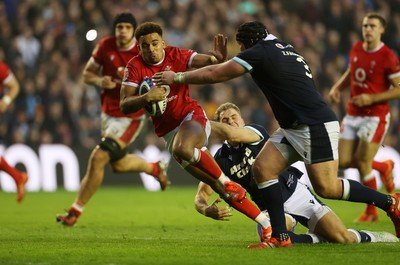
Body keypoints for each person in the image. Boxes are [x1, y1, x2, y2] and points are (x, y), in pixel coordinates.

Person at [153, 20, 400, 248]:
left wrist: (179, 78)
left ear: (247, 43)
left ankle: (390, 203)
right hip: (294, 126)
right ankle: (281, 237)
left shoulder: (260, 51)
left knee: (328, 187)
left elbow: (218, 74)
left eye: (241, 47)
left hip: (313, 125)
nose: (241, 51)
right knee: (263, 169)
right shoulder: (283, 47)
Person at [119, 21, 273, 238]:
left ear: (163, 43)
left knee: (185, 150)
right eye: (145, 46)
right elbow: (124, 104)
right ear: (139, 48)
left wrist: (216, 59)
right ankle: (266, 225)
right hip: (169, 133)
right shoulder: (134, 67)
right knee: (217, 186)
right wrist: (145, 97)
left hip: (191, 117)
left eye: (155, 43)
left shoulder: (176, 55)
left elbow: (205, 60)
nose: (151, 49)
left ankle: (228, 182)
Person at [194, 102, 398, 246]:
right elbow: (201, 195)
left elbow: (233, 134)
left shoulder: (253, 132)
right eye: (224, 120)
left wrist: (197, 121)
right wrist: (205, 210)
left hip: (296, 193)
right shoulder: (220, 158)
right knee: (271, 236)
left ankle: (376, 237)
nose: (230, 122)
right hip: (270, 208)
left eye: (233, 117)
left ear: (242, 119)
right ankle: (315, 238)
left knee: (342, 238)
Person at [56, 13, 169, 226]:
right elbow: (86, 74)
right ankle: (155, 169)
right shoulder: (105, 45)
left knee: (99, 157)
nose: (123, 31)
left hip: (130, 117)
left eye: (127, 27)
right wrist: (100, 80)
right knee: (118, 165)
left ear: (133, 32)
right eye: (119, 27)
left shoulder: (142, 51)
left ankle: (75, 210)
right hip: (107, 114)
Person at [329, 13, 400, 222]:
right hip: (353, 114)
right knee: (343, 160)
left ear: (381, 30)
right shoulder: (357, 48)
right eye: (365, 25)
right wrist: (337, 87)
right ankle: (384, 166)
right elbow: (352, 71)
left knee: (362, 161)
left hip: (375, 116)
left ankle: (371, 212)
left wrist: (372, 98)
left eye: (372, 26)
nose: (367, 29)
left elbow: (398, 88)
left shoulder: (388, 56)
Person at [0, 59, 28, 203]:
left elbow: (14, 86)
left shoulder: (0, 68)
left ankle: (18, 177)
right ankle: (18, 177)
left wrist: (6, 101)